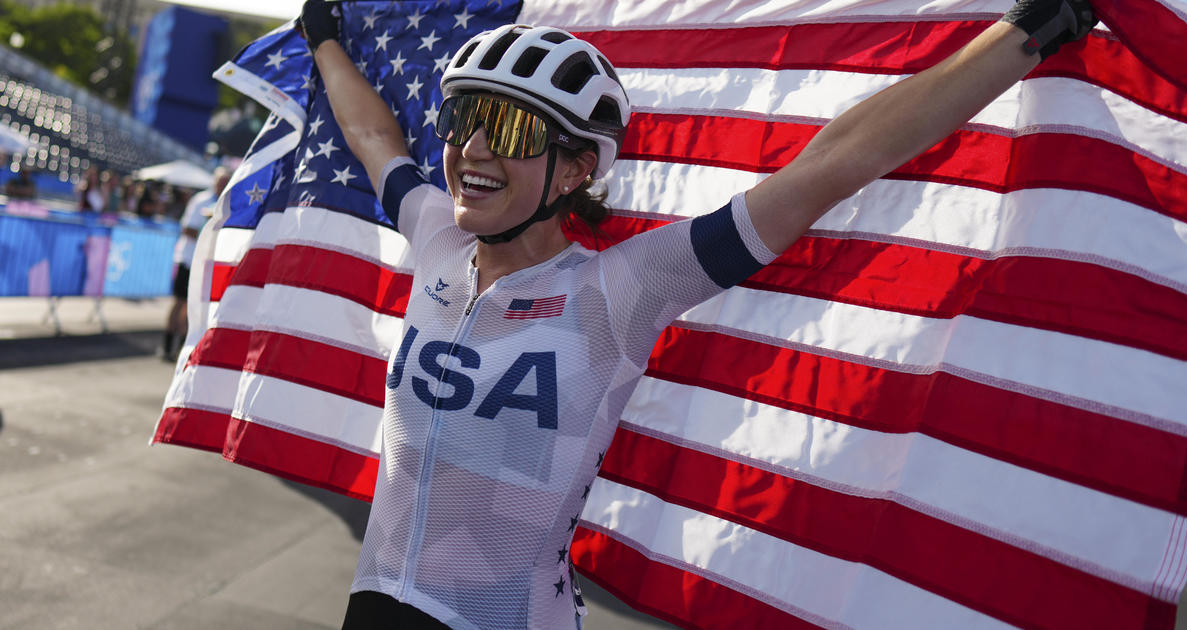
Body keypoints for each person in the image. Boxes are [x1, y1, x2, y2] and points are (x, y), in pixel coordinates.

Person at [300, 0, 1095, 627]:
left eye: (508, 129)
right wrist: (323, 36)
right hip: (371, 604)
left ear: (579, 167)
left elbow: (835, 164)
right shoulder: (435, 234)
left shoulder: (621, 289)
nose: (472, 150)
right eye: (463, 120)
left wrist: (1028, 32)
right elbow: (373, 133)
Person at [162, 167, 230, 361]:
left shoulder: (227, 202)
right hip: (189, 259)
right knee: (179, 302)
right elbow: (187, 229)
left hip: (206, 263)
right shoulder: (201, 200)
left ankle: (181, 346)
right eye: (221, 181)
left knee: (193, 306)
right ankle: (168, 344)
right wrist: (207, 228)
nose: (223, 185)